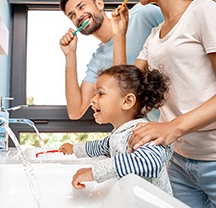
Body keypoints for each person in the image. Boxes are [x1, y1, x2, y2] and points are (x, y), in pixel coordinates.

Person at [112, 0, 216, 207]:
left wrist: (172, 127)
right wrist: (119, 34)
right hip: (178, 161)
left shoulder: (202, 11)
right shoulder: (155, 35)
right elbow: (125, 91)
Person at [59, 64, 173, 193]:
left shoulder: (143, 133)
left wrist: (94, 172)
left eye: (100, 94)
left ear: (127, 101)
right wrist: (74, 149)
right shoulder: (120, 134)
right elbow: (99, 146)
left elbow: (147, 161)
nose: (92, 99)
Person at [59, 0, 164, 120]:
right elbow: (75, 111)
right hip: (159, 132)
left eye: (81, 7)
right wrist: (70, 55)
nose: (78, 16)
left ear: (99, 3)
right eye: (72, 15)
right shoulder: (98, 61)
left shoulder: (143, 15)